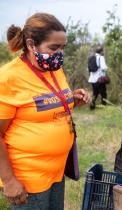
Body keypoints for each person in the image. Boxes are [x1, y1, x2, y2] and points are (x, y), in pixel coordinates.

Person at [0, 13, 91, 209]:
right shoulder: (9, 77)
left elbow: (45, 106)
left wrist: (72, 100)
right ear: (31, 44)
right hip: (28, 178)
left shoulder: (54, 69)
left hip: (56, 171)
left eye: (62, 47)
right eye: (54, 47)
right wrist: (9, 181)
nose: (60, 53)